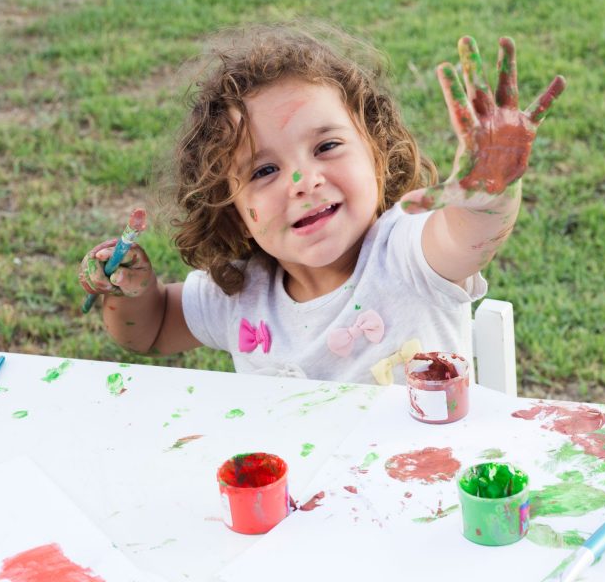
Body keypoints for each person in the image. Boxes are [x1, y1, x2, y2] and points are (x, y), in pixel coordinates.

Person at [78, 23, 565, 385]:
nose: (303, 181)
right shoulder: (240, 292)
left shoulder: (407, 253)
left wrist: (489, 191)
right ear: (229, 205)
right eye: (264, 171)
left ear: (376, 150)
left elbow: (467, 235)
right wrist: (131, 293)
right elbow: (152, 329)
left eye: (327, 147)